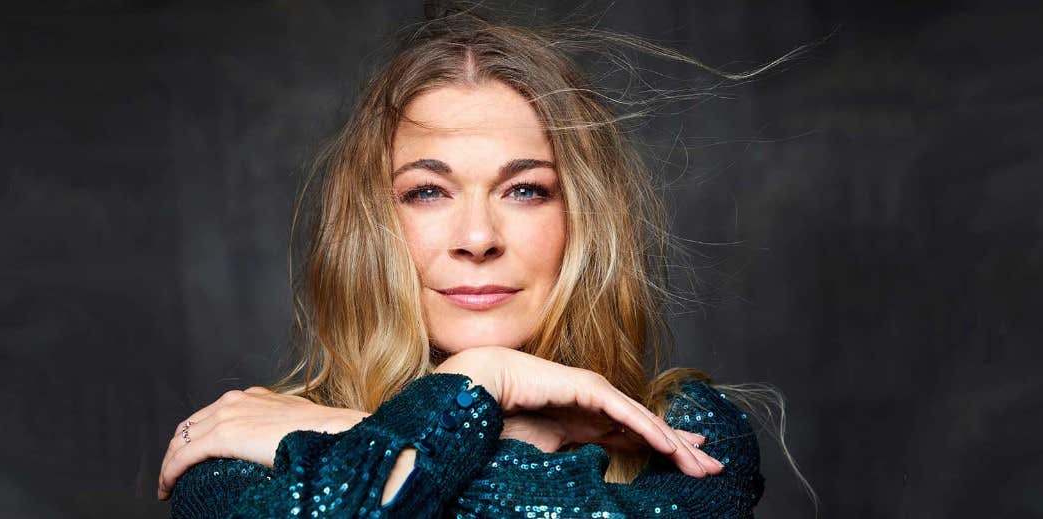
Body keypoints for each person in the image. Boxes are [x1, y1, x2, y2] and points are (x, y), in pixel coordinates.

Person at [157, 3, 812, 517]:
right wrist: (483, 384)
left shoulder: (689, 435)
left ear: (580, 219)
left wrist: (352, 429)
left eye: (525, 190)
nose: (477, 236)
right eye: (427, 191)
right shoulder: (231, 445)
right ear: (372, 226)